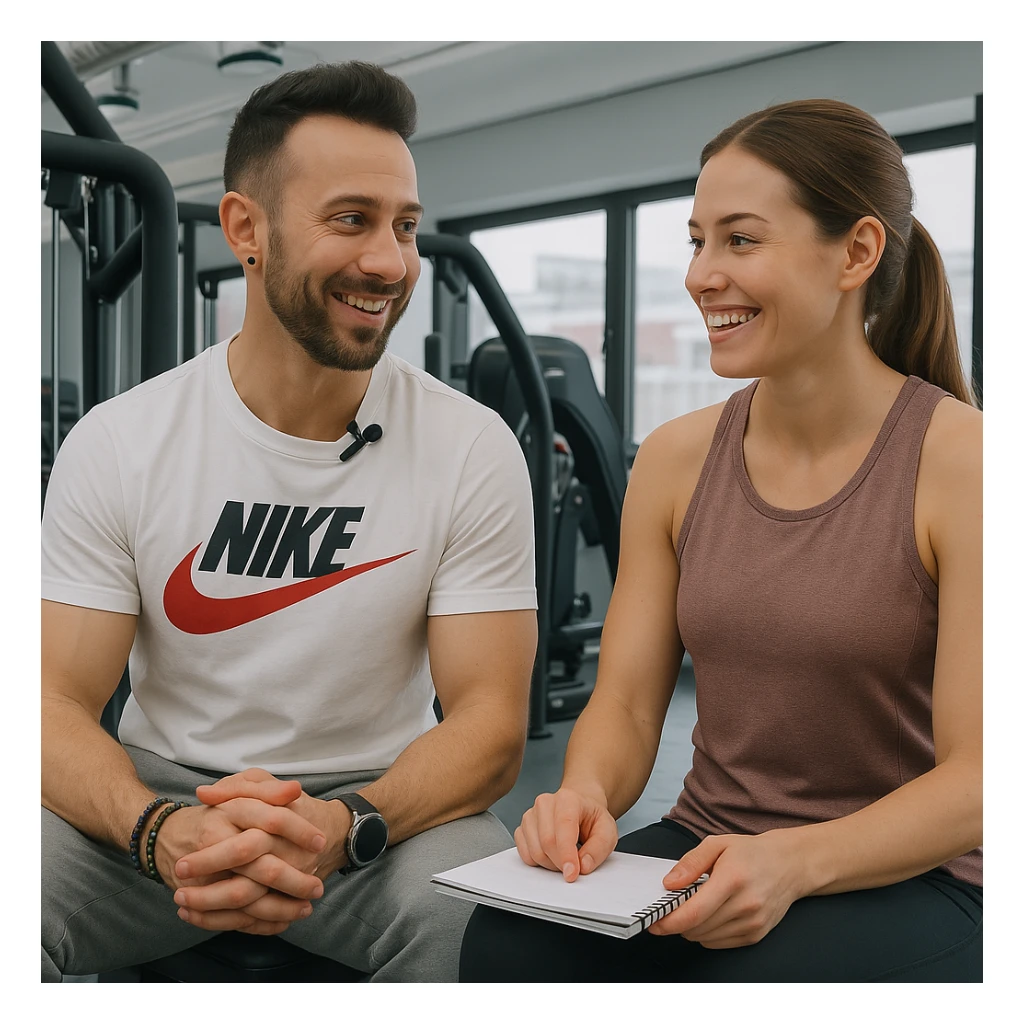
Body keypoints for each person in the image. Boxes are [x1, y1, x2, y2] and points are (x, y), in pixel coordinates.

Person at [459, 98, 982, 983]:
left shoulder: (965, 464)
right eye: (697, 241)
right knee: (507, 946)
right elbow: (625, 707)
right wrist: (583, 792)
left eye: (740, 241)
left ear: (856, 253)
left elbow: (981, 780)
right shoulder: (676, 459)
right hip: (712, 840)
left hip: (918, 872)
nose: (703, 274)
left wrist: (793, 863)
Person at [41, 61, 539, 983]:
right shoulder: (122, 442)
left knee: (486, 934)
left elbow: (490, 723)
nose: (390, 262)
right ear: (247, 231)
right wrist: (161, 832)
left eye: (404, 227)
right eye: (351, 220)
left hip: (379, 813)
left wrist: (345, 825)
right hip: (155, 807)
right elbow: (49, 704)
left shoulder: (471, 447)